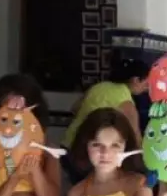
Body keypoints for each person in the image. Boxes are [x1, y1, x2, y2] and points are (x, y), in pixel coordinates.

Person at [62, 54, 150, 183]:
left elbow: (74, 108)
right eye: (146, 83)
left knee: (80, 187)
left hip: (68, 146)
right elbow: (135, 136)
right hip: (87, 153)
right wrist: (146, 161)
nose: (147, 88)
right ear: (136, 80)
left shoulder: (99, 86)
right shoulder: (124, 99)